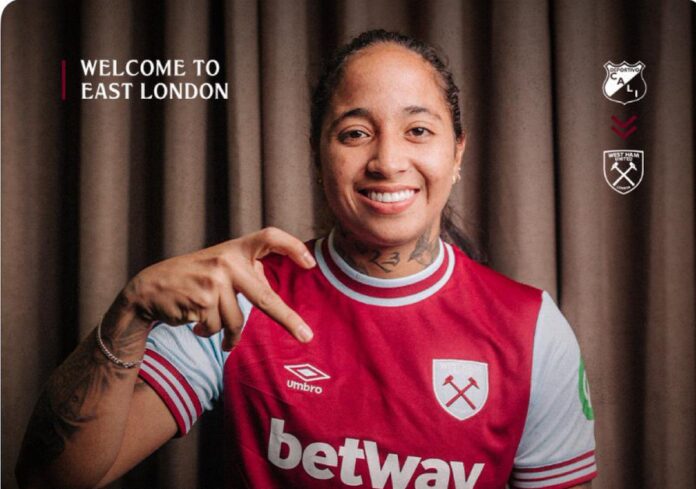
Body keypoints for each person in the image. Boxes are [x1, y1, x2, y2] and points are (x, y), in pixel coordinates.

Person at [16, 30, 596, 489]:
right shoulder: (241, 297)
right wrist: (130, 310)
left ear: (457, 153)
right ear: (317, 155)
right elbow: (50, 478)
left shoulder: (531, 329)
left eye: (418, 130)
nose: (388, 160)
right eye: (354, 133)